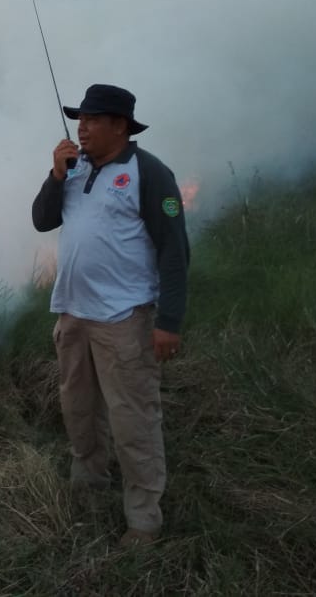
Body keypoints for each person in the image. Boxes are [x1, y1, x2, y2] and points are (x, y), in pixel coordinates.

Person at [31, 83, 189, 547]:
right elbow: (42, 220)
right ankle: (89, 480)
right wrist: (55, 176)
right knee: (78, 407)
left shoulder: (149, 173)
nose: (81, 128)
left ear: (120, 126)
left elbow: (174, 251)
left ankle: (143, 519)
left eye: (92, 120)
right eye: (79, 119)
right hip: (73, 314)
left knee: (132, 418)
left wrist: (169, 321)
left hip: (124, 318)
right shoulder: (74, 171)